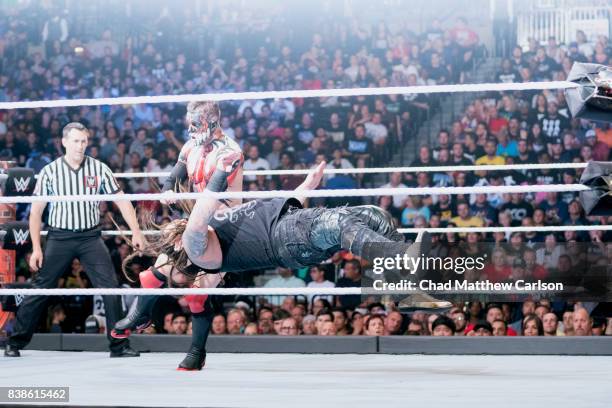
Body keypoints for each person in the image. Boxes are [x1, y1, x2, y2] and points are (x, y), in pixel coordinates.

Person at [115, 161, 447, 368]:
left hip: (291, 225)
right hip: (285, 237)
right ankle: (405, 259)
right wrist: (219, 174)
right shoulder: (198, 249)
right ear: (179, 242)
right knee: (338, 225)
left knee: (374, 217)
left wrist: (306, 186)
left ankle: (407, 290)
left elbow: (264, 212)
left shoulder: (216, 228)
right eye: (181, 228)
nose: (183, 224)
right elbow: (200, 214)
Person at [5, 122, 144, 358]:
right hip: (60, 236)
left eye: (84, 141)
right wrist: (37, 248)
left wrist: (137, 231)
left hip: (90, 236)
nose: (80, 146)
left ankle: (118, 345)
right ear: (65, 142)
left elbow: (122, 200)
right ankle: (15, 342)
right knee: (41, 288)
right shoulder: (50, 171)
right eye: (76, 141)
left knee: (111, 288)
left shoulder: (99, 168)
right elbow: (36, 212)